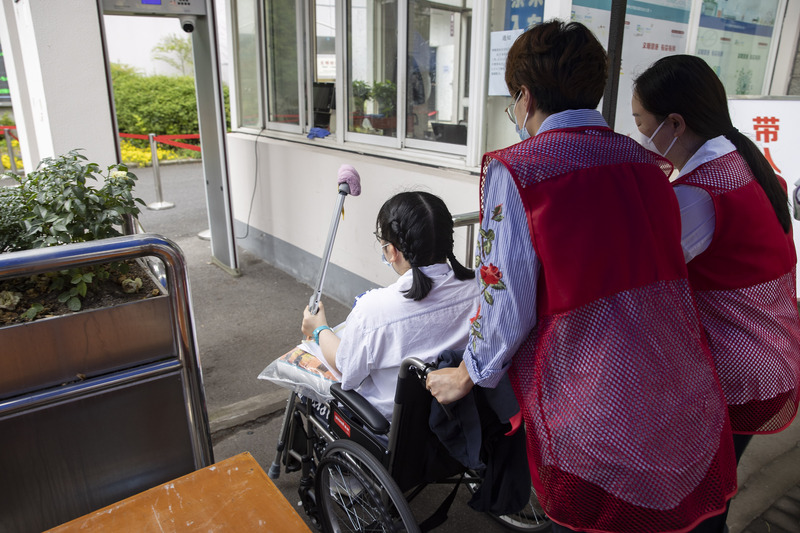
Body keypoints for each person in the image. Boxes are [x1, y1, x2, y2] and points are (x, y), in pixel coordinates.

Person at [426, 21, 737, 533]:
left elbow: (506, 297)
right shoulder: (647, 163)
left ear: (525, 98)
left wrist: (468, 372)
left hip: (595, 405)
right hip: (682, 392)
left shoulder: (520, 170)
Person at [632, 55, 800, 462]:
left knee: (700, 493)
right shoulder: (746, 164)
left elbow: (636, 275)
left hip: (737, 371)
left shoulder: (697, 195)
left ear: (675, 124)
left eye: (641, 123)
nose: (639, 135)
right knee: (717, 484)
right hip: (770, 352)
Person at [301, 190, 479, 422]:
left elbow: (347, 367)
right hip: (460, 424)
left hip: (387, 431)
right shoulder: (482, 290)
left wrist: (319, 328)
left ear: (392, 250)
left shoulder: (374, 309)